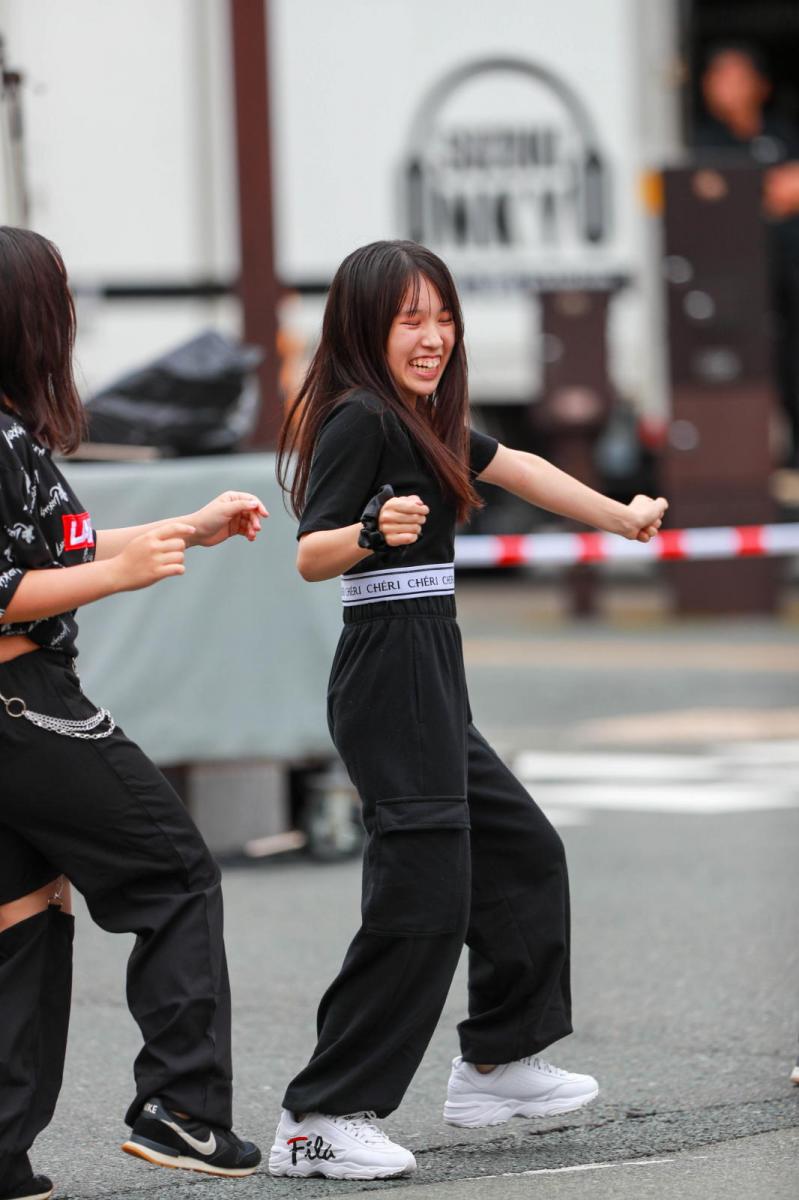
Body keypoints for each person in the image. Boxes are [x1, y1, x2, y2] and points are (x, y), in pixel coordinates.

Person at [269, 239, 668, 1180]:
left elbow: (516, 465)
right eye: (410, 319)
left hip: (427, 666)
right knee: (423, 898)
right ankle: (317, 1118)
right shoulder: (360, 417)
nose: (434, 336)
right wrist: (371, 531)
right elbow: (310, 553)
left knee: (520, 851)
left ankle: (497, 1060)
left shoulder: (419, 416)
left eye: (443, 317)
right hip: (388, 669)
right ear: (364, 327)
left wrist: (619, 516)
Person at [0, 226, 267, 1200]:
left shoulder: (11, 433)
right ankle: (182, 1107)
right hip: (23, 704)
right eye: (61, 298)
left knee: (24, 914)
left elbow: (59, 545)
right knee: (175, 875)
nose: (71, 318)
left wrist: (182, 527)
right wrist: (120, 575)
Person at [695, 42, 799, 465]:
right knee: (746, 373)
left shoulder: (781, 133)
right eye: (717, 77)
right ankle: (749, 463)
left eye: (735, 77)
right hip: (739, 284)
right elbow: (713, 195)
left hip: (790, 276)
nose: (724, 87)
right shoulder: (706, 141)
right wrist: (768, 190)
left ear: (761, 85)